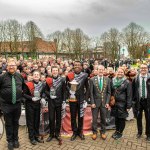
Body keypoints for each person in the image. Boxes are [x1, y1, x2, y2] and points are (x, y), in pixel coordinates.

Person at [0, 60, 24, 150]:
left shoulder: (20, 76)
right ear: (7, 67)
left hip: (17, 104)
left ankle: (15, 139)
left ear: (16, 67)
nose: (11, 67)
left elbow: (23, 88)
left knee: (16, 122)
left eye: (13, 65)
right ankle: (9, 141)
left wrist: (22, 98)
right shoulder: (2, 77)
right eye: (9, 65)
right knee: (9, 123)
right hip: (6, 105)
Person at [66, 61, 89, 141]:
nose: (77, 66)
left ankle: (80, 132)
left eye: (78, 65)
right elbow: (66, 86)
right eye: (75, 65)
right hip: (72, 99)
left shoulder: (85, 75)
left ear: (81, 67)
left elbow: (87, 88)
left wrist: (86, 100)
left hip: (81, 99)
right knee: (73, 116)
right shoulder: (69, 75)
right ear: (73, 66)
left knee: (81, 116)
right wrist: (70, 91)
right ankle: (74, 132)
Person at [23, 70, 45, 145]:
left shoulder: (42, 84)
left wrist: (43, 98)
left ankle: (36, 136)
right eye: (34, 74)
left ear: (39, 76)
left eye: (37, 74)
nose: (36, 76)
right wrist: (31, 98)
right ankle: (31, 137)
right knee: (31, 122)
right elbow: (24, 94)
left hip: (38, 105)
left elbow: (43, 94)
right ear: (32, 76)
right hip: (30, 105)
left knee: (37, 121)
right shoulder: (28, 84)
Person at [90, 65, 111, 140]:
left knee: (103, 118)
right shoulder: (92, 79)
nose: (101, 71)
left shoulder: (107, 79)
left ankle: (103, 132)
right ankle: (94, 132)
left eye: (102, 70)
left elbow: (109, 92)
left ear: (104, 70)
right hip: (95, 103)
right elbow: (91, 92)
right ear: (97, 70)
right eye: (99, 70)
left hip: (104, 103)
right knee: (94, 119)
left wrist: (107, 102)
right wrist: (92, 102)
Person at [45, 66, 66, 142]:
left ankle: (57, 134)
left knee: (58, 118)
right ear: (51, 71)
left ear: (58, 71)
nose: (55, 71)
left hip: (59, 102)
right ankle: (51, 134)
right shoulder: (48, 80)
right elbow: (45, 91)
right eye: (53, 70)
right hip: (51, 102)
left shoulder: (62, 80)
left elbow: (64, 91)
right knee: (51, 118)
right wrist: (49, 95)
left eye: (56, 70)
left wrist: (64, 101)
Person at [111, 67, 132, 140]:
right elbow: (111, 92)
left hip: (123, 104)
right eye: (118, 72)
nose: (120, 73)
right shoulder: (113, 81)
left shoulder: (127, 82)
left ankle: (120, 133)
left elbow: (129, 95)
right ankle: (116, 131)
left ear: (124, 73)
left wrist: (129, 106)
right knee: (116, 119)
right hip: (115, 104)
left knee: (121, 119)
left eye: (121, 72)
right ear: (116, 72)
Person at [132, 64, 150, 141]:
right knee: (138, 118)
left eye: (145, 68)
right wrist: (133, 101)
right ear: (139, 69)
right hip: (139, 101)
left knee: (148, 118)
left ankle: (148, 134)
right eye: (142, 68)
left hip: (148, 101)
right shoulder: (135, 79)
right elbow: (133, 91)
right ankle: (139, 132)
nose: (143, 69)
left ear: (147, 69)